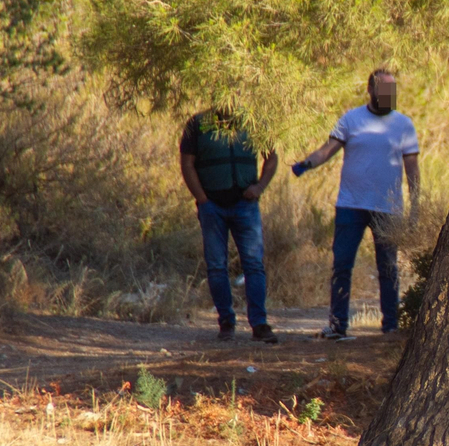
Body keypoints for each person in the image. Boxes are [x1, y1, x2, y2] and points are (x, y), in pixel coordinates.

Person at [291, 69, 420, 341]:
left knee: (388, 268)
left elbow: (412, 168)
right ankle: (337, 325)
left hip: (388, 208)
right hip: (351, 205)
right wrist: (307, 163)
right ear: (370, 90)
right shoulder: (351, 119)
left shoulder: (404, 125)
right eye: (384, 90)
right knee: (342, 265)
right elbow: (328, 149)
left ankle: (391, 327)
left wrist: (416, 205)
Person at [180, 108, 281, 342]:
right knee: (217, 266)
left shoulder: (253, 120)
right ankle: (226, 322)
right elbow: (187, 163)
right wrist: (202, 199)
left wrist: (260, 187)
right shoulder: (198, 124)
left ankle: (259, 324)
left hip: (245, 205)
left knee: (254, 265)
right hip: (212, 206)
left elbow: (271, 157)